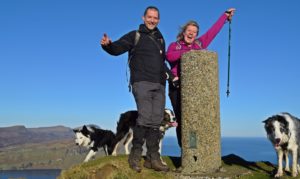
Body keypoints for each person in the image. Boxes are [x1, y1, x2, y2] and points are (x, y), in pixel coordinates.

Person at [100, 6, 172, 172]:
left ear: (158, 20)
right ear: (143, 17)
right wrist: (108, 45)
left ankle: (153, 159)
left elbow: (162, 63)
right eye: (149, 17)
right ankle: (135, 155)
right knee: (145, 116)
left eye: (155, 18)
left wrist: (171, 77)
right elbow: (117, 48)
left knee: (156, 120)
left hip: (160, 84)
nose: (152, 20)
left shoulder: (160, 39)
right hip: (141, 82)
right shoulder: (135, 35)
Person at [166, 8, 236, 148]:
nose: (191, 34)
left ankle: (195, 149)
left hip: (195, 88)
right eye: (189, 31)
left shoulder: (199, 44)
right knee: (181, 119)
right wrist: (187, 53)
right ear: (183, 32)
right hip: (177, 87)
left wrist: (224, 17)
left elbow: (212, 32)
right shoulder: (175, 46)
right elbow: (169, 57)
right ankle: (185, 151)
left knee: (195, 120)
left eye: (194, 32)